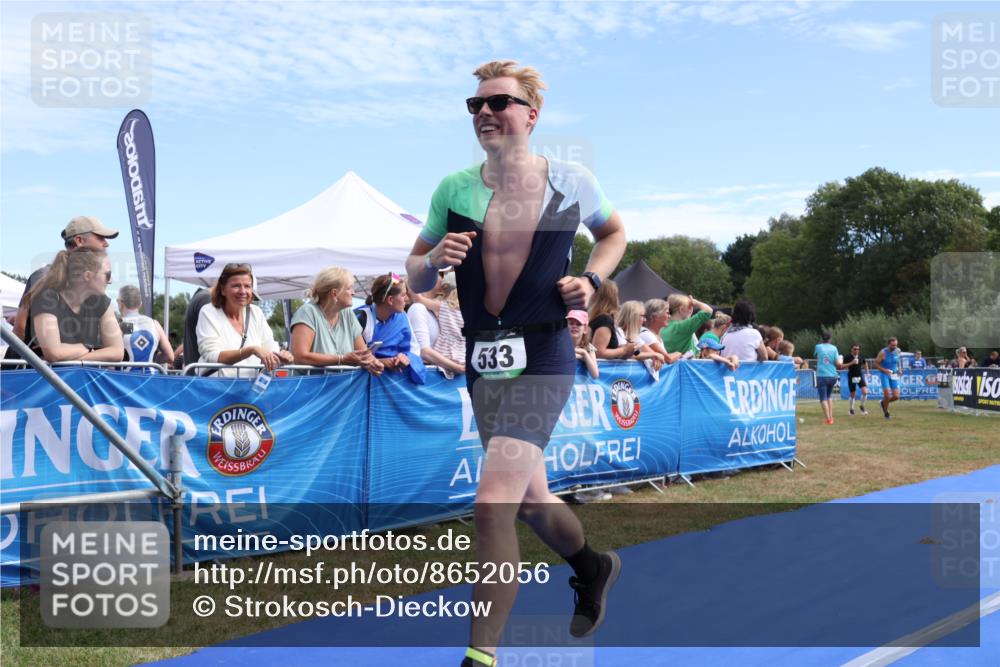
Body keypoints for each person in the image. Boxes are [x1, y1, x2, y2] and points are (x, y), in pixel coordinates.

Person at [404, 60, 626, 667]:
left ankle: (481, 658)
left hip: (545, 350)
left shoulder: (571, 179)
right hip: (483, 357)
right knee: (528, 500)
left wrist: (591, 278)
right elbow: (413, 267)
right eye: (473, 105)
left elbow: (614, 235)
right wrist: (434, 260)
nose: (483, 114)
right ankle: (592, 565)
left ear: (532, 113)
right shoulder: (454, 187)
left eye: (497, 102)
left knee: (491, 503)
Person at [13, 215, 118, 345]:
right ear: (79, 240)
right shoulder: (45, 276)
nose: (106, 243)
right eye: (100, 237)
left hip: (66, 363)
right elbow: (20, 328)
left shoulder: (91, 284)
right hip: (39, 364)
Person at [25, 248, 124, 363]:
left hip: (72, 377)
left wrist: (78, 355)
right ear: (87, 276)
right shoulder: (47, 298)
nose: (111, 280)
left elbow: (117, 352)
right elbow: (54, 354)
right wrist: (87, 347)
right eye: (108, 275)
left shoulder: (101, 302)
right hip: (33, 378)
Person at [195, 263, 292, 377]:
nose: (243, 291)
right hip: (216, 389)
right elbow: (212, 355)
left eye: (247, 286)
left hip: (250, 390)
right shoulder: (208, 312)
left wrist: (282, 356)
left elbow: (270, 348)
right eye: (236, 286)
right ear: (222, 289)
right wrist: (251, 350)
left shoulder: (256, 312)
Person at [289, 266, 381, 374]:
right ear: (334, 293)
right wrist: (341, 359)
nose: (353, 292)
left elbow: (362, 353)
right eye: (349, 288)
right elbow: (300, 357)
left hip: (342, 387)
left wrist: (373, 362)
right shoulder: (307, 312)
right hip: (311, 388)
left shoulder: (348, 314)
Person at [355, 273, 426, 384]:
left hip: (392, 384)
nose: (407, 299)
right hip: (360, 386)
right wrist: (377, 361)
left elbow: (414, 350)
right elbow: (346, 355)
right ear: (390, 300)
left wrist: (404, 357)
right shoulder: (360, 318)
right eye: (403, 295)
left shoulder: (403, 317)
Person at [117, 285, 174, 367]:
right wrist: (151, 360)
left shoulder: (119, 325)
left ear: (120, 303)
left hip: (125, 378)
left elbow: (111, 358)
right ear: (140, 303)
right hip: (150, 377)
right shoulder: (154, 324)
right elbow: (170, 357)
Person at [588, 280, 636, 360]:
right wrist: (624, 349)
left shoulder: (595, 318)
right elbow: (598, 352)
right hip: (600, 370)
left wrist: (622, 350)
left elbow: (593, 349)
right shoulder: (604, 319)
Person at [616, 300, 665, 368]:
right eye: (642, 316)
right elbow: (625, 354)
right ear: (632, 316)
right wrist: (653, 355)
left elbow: (649, 352)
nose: (644, 320)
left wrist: (655, 357)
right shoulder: (617, 331)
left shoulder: (633, 335)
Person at [641, 298, 682, 364]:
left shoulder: (655, 336)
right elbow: (668, 359)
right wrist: (679, 353)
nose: (669, 316)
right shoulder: (646, 335)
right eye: (667, 313)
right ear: (656, 316)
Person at [814, 331, 840, 425]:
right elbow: (837, 363)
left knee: (823, 398)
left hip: (821, 375)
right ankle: (831, 417)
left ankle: (828, 419)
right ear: (830, 339)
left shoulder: (818, 346)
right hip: (833, 375)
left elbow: (816, 356)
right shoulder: (834, 348)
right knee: (829, 396)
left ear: (822, 339)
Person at [873, 336, 902, 419]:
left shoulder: (898, 351)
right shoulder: (883, 352)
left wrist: (899, 368)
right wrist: (884, 370)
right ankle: (886, 413)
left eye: (896, 345)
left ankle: (883, 403)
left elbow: (898, 360)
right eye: (892, 345)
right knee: (887, 396)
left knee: (896, 396)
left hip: (894, 374)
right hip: (884, 374)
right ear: (888, 345)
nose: (894, 347)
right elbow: (875, 364)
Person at [566, 309, 599, 380]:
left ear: (585, 329)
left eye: (578, 324)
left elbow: (595, 375)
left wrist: (584, 354)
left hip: (580, 389)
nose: (574, 326)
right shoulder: (560, 344)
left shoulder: (588, 347)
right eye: (571, 323)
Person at [842, 342, 869, 416]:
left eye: (858, 349)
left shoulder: (861, 356)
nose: (856, 350)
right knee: (852, 394)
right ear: (851, 349)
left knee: (865, 392)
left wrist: (867, 372)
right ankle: (851, 409)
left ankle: (862, 406)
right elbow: (842, 366)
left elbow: (865, 363)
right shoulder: (847, 357)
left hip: (860, 376)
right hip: (851, 376)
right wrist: (852, 362)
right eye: (855, 349)